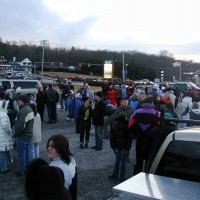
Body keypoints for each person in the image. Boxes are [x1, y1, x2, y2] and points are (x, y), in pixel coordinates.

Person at [129, 95, 160, 175]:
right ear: (152, 103)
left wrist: (134, 133)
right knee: (149, 158)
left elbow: (130, 124)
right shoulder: (157, 113)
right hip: (151, 140)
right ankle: (148, 174)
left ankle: (136, 175)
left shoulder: (137, 112)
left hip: (139, 138)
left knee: (139, 159)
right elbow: (160, 126)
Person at [47, 134, 77, 200]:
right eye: (49, 145)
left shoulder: (57, 168)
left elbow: (60, 194)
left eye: (53, 146)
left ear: (60, 148)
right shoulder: (70, 159)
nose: (49, 148)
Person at [109, 112, 132, 182]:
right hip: (124, 146)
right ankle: (121, 177)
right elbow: (129, 139)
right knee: (123, 162)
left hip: (116, 146)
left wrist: (113, 146)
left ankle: (115, 175)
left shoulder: (114, 124)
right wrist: (128, 148)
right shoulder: (127, 126)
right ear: (125, 117)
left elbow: (111, 137)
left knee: (117, 161)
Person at [15, 95, 34, 176]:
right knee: (27, 153)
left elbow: (20, 127)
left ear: (21, 101)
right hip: (29, 135)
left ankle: (21, 171)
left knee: (21, 155)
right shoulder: (30, 109)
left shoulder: (22, 111)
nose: (17, 102)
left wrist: (16, 133)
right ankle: (28, 169)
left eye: (18, 101)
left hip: (22, 136)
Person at [0, 99, 13, 173]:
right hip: (3, 137)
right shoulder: (3, 114)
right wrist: (10, 131)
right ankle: (3, 169)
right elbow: (5, 126)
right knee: (3, 153)